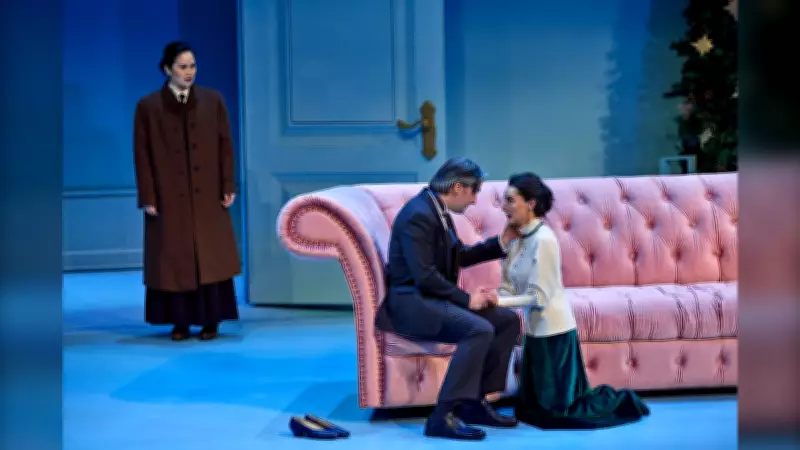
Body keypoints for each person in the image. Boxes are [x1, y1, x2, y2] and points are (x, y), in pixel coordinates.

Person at [374, 157, 522, 441]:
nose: (475, 200)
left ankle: (474, 403)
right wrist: (467, 300)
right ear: (457, 187)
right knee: (478, 329)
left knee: (506, 321)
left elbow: (459, 255)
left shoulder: (436, 210)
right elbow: (425, 276)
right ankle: (442, 416)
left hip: (430, 298)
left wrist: (501, 243)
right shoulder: (419, 215)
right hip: (412, 304)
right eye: (474, 191)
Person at [497, 172, 651, 429]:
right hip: (534, 333)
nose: (504, 207)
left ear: (531, 204)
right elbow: (508, 285)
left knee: (559, 415)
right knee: (530, 411)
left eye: (510, 200)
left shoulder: (544, 240)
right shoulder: (516, 240)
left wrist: (498, 302)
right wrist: (492, 297)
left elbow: (539, 297)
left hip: (554, 333)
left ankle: (624, 400)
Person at [133, 41, 241, 341]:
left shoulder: (212, 100)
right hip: (168, 196)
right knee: (173, 259)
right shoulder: (148, 106)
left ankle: (211, 320)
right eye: (182, 66)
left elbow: (225, 145)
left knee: (210, 256)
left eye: (192, 65)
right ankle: (179, 321)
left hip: (207, 194)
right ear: (167, 69)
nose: (189, 72)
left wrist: (227, 184)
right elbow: (142, 155)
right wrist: (148, 196)